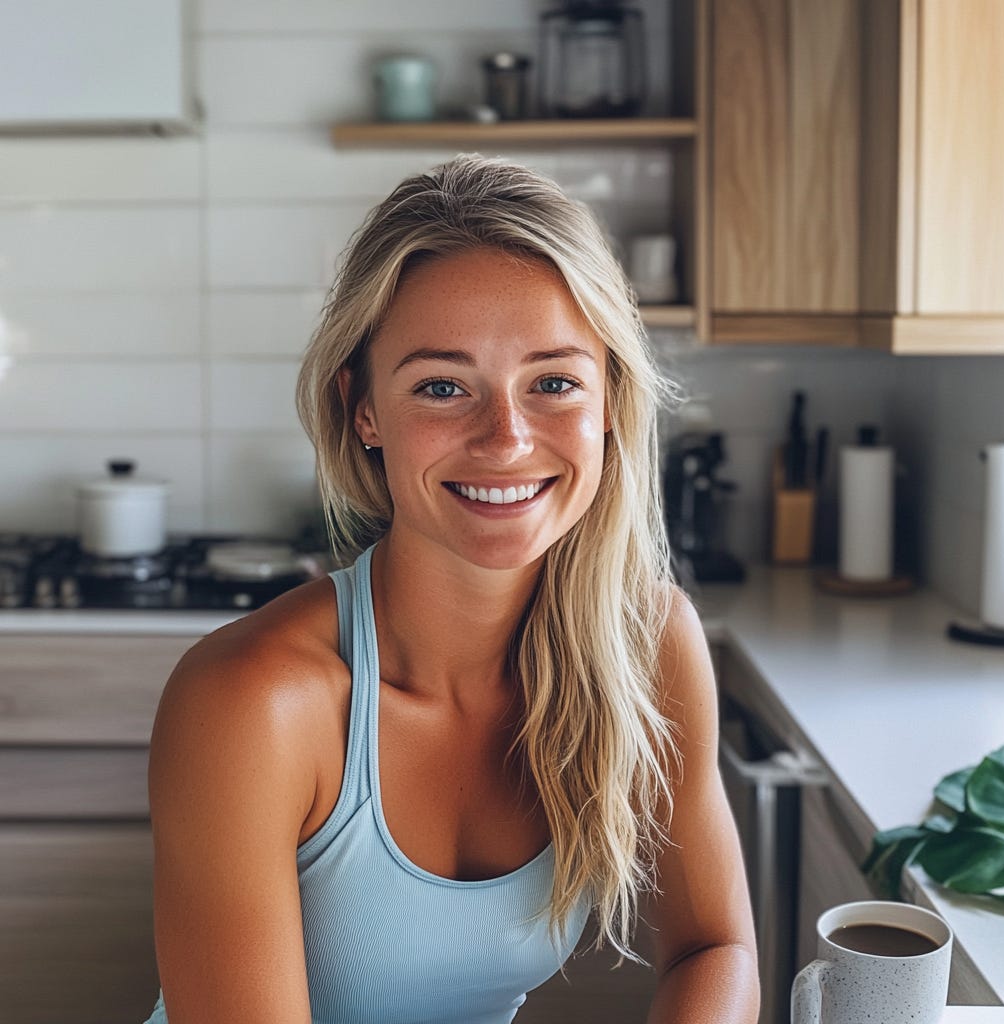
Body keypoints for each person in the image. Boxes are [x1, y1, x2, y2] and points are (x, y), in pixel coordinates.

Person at [143, 154, 758, 1024]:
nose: (506, 438)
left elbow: (714, 948)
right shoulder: (250, 702)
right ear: (363, 411)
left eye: (553, 383)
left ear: (611, 399)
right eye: (442, 386)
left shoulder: (649, 643)